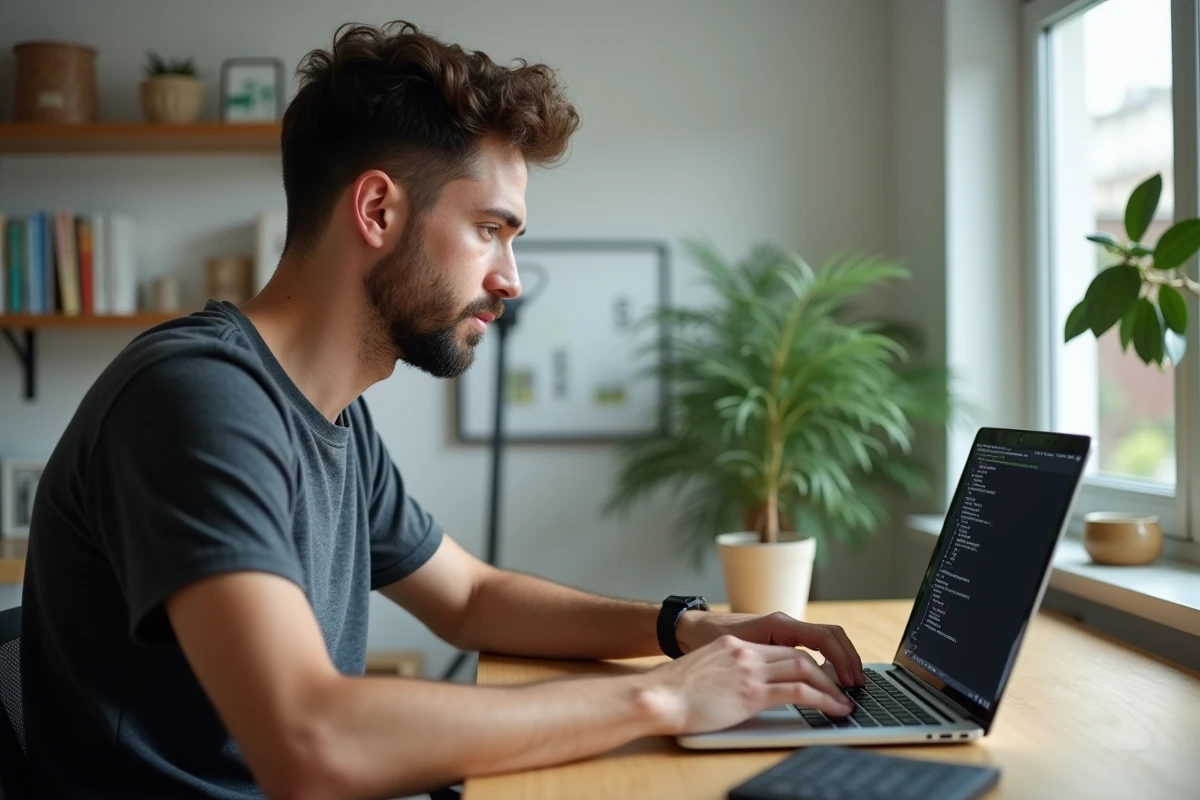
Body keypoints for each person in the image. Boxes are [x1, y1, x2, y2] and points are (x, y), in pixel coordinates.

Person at [22, 21, 864, 800]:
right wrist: (666, 698)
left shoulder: (329, 413)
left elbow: (469, 597)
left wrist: (688, 629)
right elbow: (308, 741)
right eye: (491, 229)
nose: (511, 278)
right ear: (379, 211)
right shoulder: (197, 401)